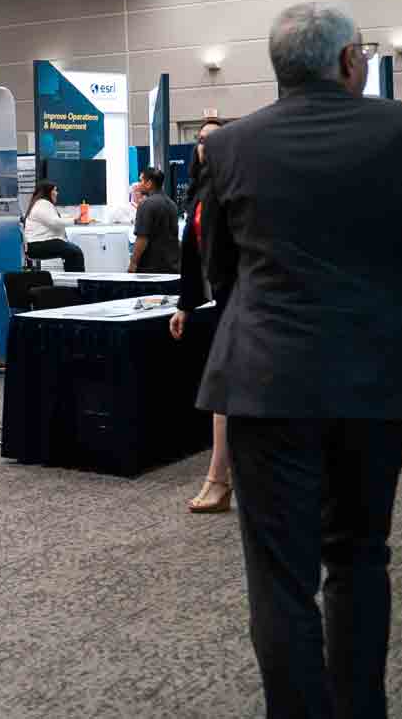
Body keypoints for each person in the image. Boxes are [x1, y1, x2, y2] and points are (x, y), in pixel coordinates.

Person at [199, 3, 402, 718]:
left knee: (280, 579)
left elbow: (222, 272)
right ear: (349, 62)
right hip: (378, 382)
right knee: (360, 553)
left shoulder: (231, 146)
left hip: (266, 383)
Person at [169, 120, 230, 513]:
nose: (204, 145)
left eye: (213, 138)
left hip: (245, 301)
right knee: (226, 389)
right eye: (200, 139)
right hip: (224, 301)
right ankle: (220, 480)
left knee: (227, 389)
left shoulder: (233, 186)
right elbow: (191, 254)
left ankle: (219, 480)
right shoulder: (200, 191)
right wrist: (184, 304)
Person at [23, 180, 84, 272]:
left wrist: (74, 218)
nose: (57, 193)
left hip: (36, 244)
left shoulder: (40, 204)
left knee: (72, 251)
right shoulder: (42, 204)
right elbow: (54, 221)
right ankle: (77, 282)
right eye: (55, 190)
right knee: (74, 252)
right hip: (37, 244)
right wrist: (75, 221)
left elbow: (54, 218)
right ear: (48, 192)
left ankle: (73, 280)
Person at [127, 167, 179, 274]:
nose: (138, 184)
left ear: (149, 183)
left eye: (141, 180)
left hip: (151, 269)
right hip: (171, 267)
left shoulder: (146, 205)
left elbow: (142, 239)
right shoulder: (172, 205)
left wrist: (133, 264)